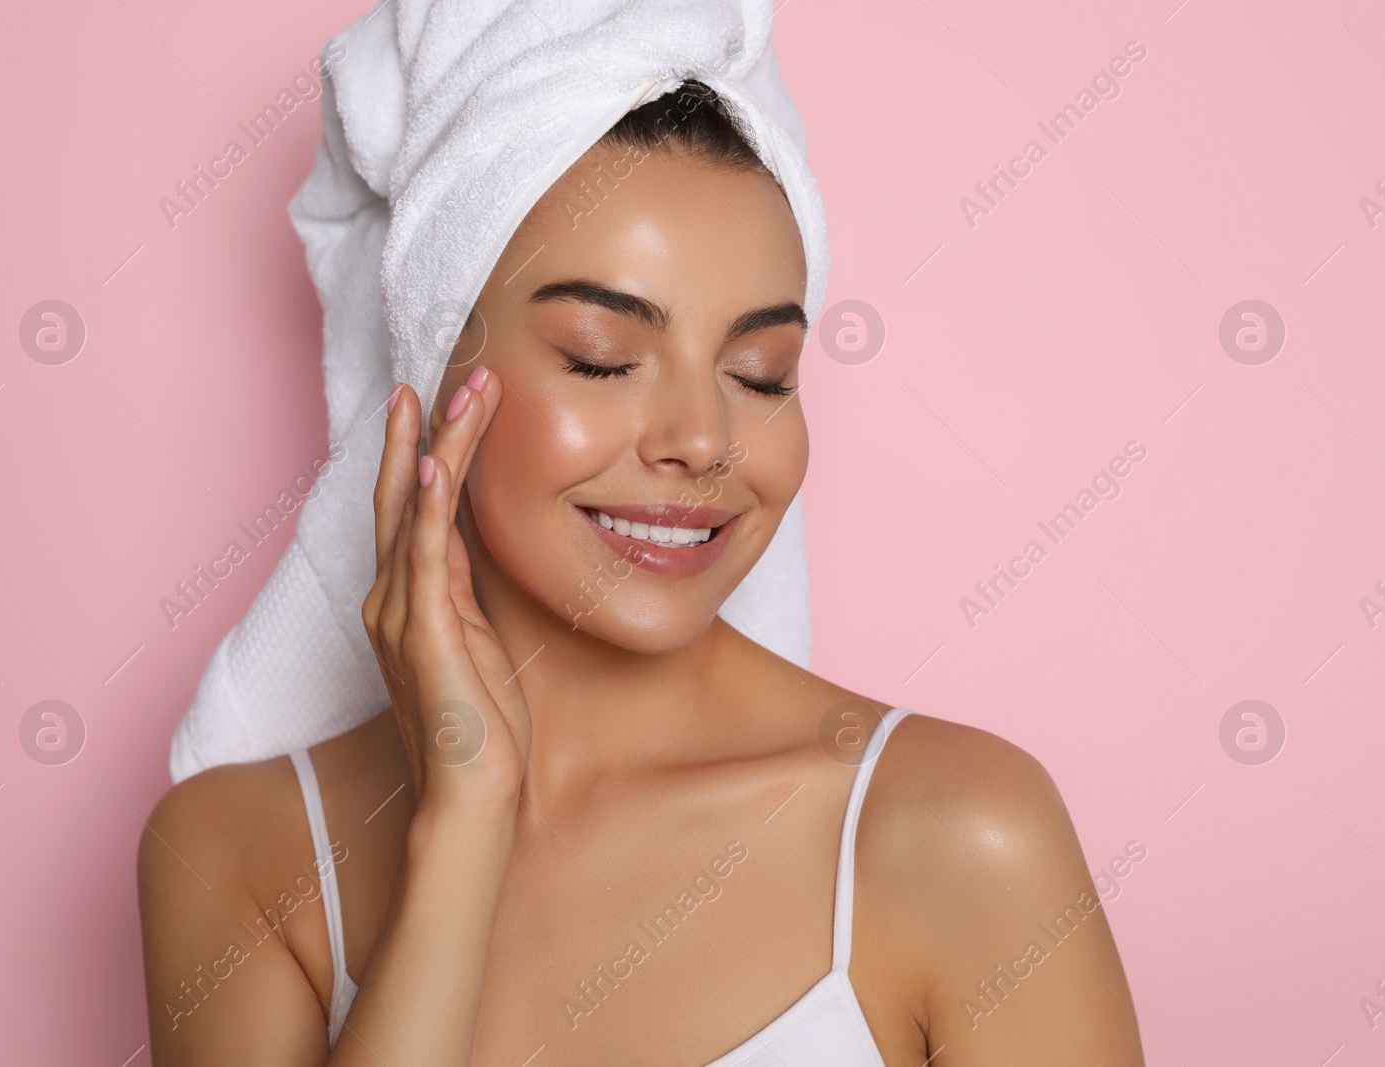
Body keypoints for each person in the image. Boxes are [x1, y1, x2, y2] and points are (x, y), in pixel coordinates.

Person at [137, 80, 1145, 1066]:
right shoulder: (239, 854)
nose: (703, 439)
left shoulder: (958, 832)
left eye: (760, 375)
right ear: (435, 374)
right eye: (601, 356)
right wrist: (462, 825)